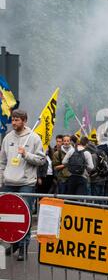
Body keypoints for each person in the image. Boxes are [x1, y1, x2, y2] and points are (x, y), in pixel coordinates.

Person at [0, 109, 46, 261]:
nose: (14, 122)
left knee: (24, 216)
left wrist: (26, 154)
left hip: (26, 183)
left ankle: (23, 247)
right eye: (12, 119)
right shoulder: (7, 138)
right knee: (8, 217)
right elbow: (2, 162)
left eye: (17, 120)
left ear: (24, 120)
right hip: (8, 183)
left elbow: (41, 160)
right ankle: (14, 243)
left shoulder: (34, 138)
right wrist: (1, 179)